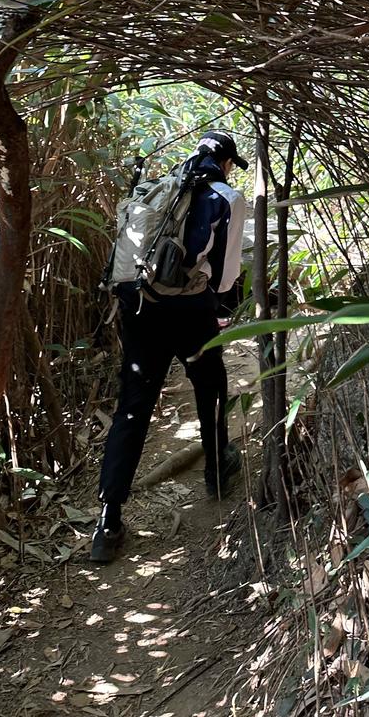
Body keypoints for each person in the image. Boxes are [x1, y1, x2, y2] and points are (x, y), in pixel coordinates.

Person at [92, 130, 248, 563]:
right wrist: (217, 303)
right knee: (210, 383)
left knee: (132, 406)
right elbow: (225, 277)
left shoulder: (159, 188)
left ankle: (108, 520)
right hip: (190, 311)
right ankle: (217, 469)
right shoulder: (225, 196)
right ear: (226, 162)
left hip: (141, 309)